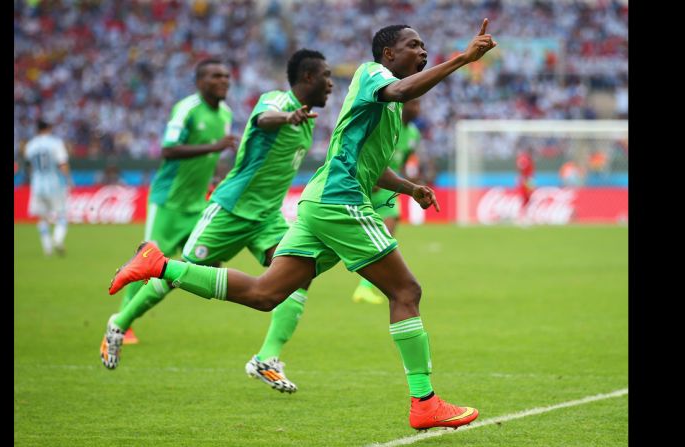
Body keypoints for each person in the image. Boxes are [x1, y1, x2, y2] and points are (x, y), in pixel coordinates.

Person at [105, 21, 497, 430]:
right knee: (406, 291)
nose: (422, 51)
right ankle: (424, 402)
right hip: (339, 202)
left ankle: (160, 265)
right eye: (413, 45)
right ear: (388, 54)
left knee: (265, 294)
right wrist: (463, 59)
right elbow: (402, 89)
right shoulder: (373, 75)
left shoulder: (391, 107)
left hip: (321, 203)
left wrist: (410, 187)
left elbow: (372, 164)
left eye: (424, 46)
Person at [101, 50, 334, 397]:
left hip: (267, 217)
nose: (332, 84)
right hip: (230, 210)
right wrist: (285, 118)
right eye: (327, 76)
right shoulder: (277, 101)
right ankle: (118, 324)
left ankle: (266, 358)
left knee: (299, 273)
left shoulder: (310, 119)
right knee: (183, 273)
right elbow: (262, 120)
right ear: (309, 78)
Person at [116, 59, 238, 345]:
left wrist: (218, 179)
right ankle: (122, 322)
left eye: (226, 76)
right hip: (168, 202)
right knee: (144, 261)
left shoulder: (226, 114)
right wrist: (215, 147)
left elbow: (214, 159)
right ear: (199, 82)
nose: (224, 81)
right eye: (215, 76)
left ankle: (162, 293)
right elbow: (168, 150)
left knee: (210, 260)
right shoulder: (186, 109)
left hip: (197, 203)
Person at [351, 97, 425, 304]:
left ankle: (365, 287)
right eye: (414, 103)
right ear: (403, 105)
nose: (417, 108)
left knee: (388, 230)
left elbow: (403, 161)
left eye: (419, 104)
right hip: (363, 184)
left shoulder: (413, 134)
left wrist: (411, 181)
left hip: (387, 189)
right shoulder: (387, 123)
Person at [24, 119, 73, 257]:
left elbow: (28, 165)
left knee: (42, 217)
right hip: (54, 183)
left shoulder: (31, 145)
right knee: (62, 214)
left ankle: (47, 249)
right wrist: (69, 180)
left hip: (37, 184)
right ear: (49, 128)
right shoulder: (55, 143)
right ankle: (57, 239)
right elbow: (62, 163)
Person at [515, 146, 535, 225]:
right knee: (525, 199)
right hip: (526, 181)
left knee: (528, 200)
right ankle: (522, 217)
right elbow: (521, 167)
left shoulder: (527, 159)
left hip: (528, 180)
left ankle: (524, 216)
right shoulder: (525, 158)